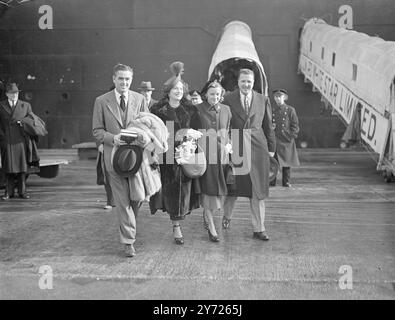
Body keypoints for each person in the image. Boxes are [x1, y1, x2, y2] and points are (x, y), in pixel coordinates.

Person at [92, 63, 149, 257]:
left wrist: (143, 136)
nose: (124, 82)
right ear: (114, 79)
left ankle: (129, 230)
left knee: (138, 197)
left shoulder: (140, 99)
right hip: (113, 158)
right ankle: (128, 241)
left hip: (135, 158)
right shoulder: (101, 101)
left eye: (127, 79)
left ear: (131, 80)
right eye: (121, 78)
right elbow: (97, 130)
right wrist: (111, 138)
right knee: (123, 200)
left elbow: (147, 125)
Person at [221, 69, 276, 241]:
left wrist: (271, 148)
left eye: (249, 82)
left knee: (258, 189)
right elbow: (224, 124)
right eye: (243, 81)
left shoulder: (263, 99)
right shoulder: (228, 99)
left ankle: (259, 228)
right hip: (236, 145)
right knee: (233, 188)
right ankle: (226, 217)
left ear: (254, 83)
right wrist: (225, 144)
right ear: (238, 82)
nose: (246, 84)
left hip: (258, 147)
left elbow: (268, 126)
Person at [150, 61, 201, 245]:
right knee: (168, 192)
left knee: (184, 192)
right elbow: (152, 131)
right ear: (168, 91)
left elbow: (198, 130)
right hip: (165, 156)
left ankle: (178, 221)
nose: (178, 91)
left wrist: (189, 143)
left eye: (181, 88)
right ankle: (176, 226)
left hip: (185, 156)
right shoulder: (157, 109)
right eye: (175, 88)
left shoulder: (190, 109)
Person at [195, 80, 232, 242]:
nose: (215, 97)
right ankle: (212, 228)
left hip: (223, 157)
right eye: (212, 94)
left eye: (218, 94)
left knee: (220, 193)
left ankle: (207, 215)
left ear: (221, 95)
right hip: (206, 157)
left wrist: (229, 144)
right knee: (209, 191)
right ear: (206, 95)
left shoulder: (227, 110)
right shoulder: (197, 110)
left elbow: (228, 131)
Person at [0, 82, 37, 200]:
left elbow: (32, 120)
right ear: (7, 94)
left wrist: (24, 122)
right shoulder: (1, 105)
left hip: (21, 140)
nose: (14, 95)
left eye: (16, 93)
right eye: (12, 93)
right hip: (7, 140)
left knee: (22, 167)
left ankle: (22, 192)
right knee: (8, 167)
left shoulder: (25, 105)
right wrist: (2, 137)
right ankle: (8, 192)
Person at [270, 89, 300, 187]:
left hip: (286, 139)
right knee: (274, 162)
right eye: (276, 96)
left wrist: (291, 136)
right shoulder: (272, 110)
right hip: (275, 139)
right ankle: (272, 180)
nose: (278, 98)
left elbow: (295, 124)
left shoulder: (290, 110)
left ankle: (286, 181)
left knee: (287, 162)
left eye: (280, 96)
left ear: (284, 97)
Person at [96, 142, 115, 209]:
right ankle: (111, 201)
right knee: (108, 175)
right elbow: (98, 131)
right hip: (107, 146)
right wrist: (100, 144)